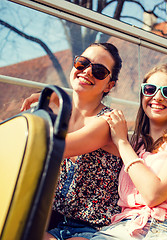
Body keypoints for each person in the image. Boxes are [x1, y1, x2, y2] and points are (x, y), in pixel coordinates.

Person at [91, 63, 167, 240]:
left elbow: (154, 194)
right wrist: (58, 104)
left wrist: (122, 142)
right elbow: (79, 134)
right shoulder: (135, 144)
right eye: (150, 89)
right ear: (142, 96)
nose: (158, 97)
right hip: (123, 228)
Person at [21, 43, 123, 240]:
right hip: (53, 220)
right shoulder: (61, 117)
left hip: (92, 229)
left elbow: (53, 147)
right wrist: (54, 102)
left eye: (99, 71)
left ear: (110, 85)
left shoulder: (106, 122)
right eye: (82, 63)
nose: (87, 71)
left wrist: (52, 100)